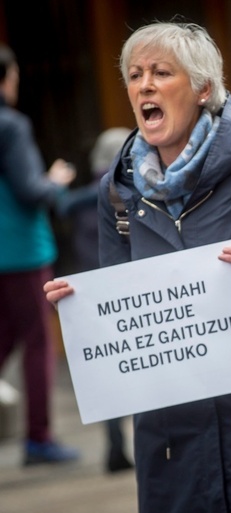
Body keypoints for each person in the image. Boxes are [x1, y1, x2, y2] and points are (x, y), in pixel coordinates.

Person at [43, 22, 231, 513]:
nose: (144, 85)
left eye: (162, 72)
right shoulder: (117, 193)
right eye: (135, 74)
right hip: (175, 448)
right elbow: (122, 307)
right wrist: (86, 311)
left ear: (203, 89)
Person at [0, 42, 80, 465]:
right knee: (37, 341)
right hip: (21, 251)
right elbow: (31, 191)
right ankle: (39, 437)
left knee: (4, 337)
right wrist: (57, 180)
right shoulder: (10, 126)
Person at [56, 126, 134, 473]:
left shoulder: (79, 200)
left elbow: (60, 206)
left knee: (108, 374)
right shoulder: (132, 191)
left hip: (89, 294)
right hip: (126, 291)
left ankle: (115, 449)